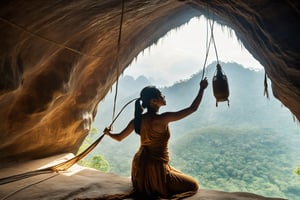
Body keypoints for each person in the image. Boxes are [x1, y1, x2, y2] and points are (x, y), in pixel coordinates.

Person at [104, 78, 208, 199]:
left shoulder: (137, 120)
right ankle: (157, 183)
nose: (164, 96)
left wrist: (108, 133)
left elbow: (119, 137)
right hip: (156, 168)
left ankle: (151, 182)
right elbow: (192, 109)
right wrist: (202, 89)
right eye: (161, 95)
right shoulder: (163, 119)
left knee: (178, 174)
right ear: (153, 101)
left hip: (140, 169)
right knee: (193, 184)